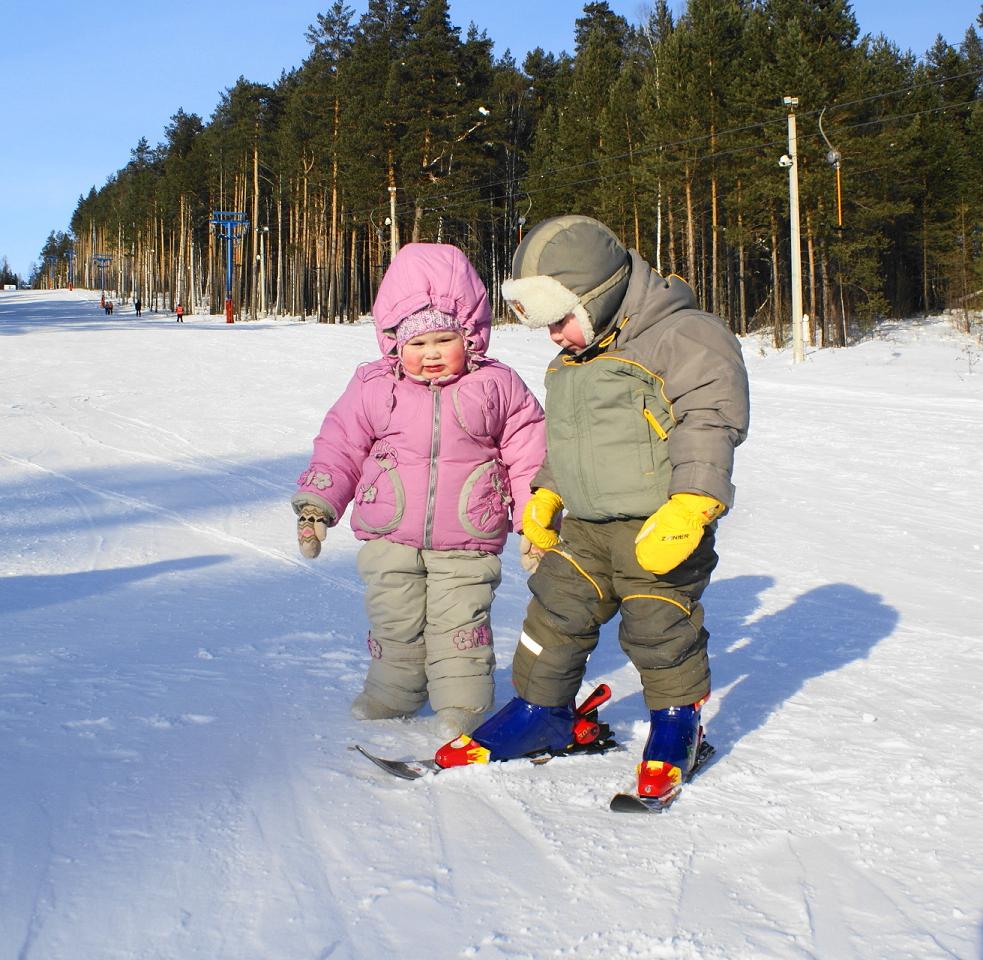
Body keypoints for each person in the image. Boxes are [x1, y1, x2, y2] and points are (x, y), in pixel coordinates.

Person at [435, 215, 750, 805]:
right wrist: (548, 493)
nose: (553, 336)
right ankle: (540, 711)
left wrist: (693, 504)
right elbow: (569, 440)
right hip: (583, 526)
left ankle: (677, 724)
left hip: (658, 525)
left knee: (660, 626)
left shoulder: (684, 336)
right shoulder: (575, 359)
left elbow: (710, 417)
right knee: (552, 615)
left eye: (559, 320)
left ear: (596, 296)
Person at [292, 242, 546, 737]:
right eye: (416, 344)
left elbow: (529, 452)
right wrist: (318, 504)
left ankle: (463, 704)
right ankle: (393, 694)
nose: (430, 355)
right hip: (389, 531)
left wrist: (535, 518)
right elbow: (340, 444)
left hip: (469, 532)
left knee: (461, 623)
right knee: (395, 618)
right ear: (393, 343)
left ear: (470, 336)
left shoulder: (496, 386)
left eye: (443, 340)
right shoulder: (374, 386)